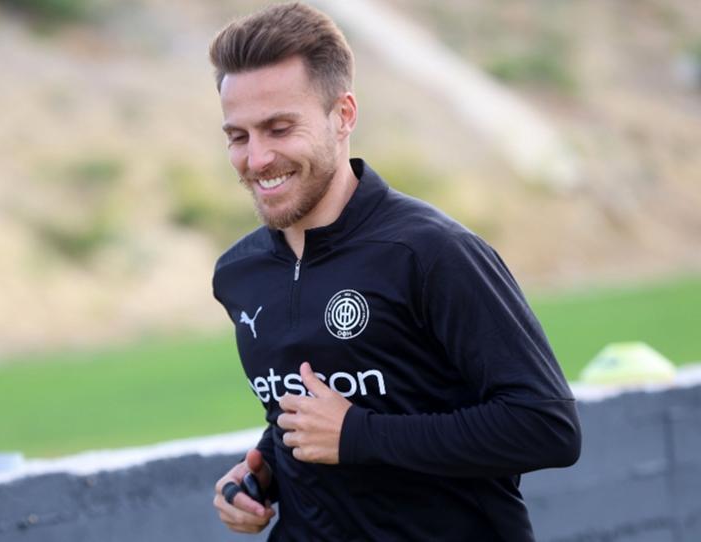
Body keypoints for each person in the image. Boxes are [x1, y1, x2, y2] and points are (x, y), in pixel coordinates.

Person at [208, 3, 581, 540]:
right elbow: (318, 411)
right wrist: (264, 473)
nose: (258, 158)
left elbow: (546, 426)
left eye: (279, 128)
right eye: (238, 136)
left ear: (343, 115)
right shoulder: (239, 274)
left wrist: (359, 435)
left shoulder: (431, 252)